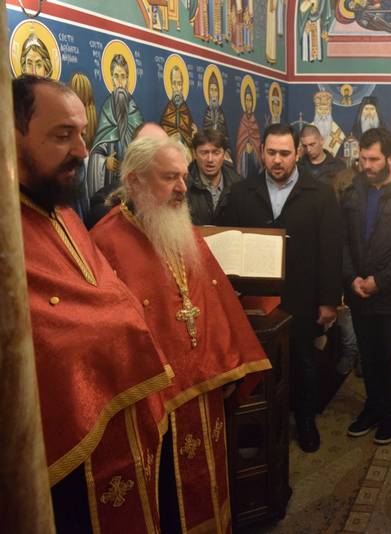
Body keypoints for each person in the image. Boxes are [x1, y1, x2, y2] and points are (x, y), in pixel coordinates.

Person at [13, 75, 171, 532]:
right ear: (10, 136)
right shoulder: (10, 228)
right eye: (63, 135)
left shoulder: (63, 213)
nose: (83, 151)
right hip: (56, 455)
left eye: (82, 134)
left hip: (114, 434)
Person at [91, 136, 270, 532]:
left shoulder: (178, 227)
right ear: (135, 181)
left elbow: (213, 295)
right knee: (165, 498)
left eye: (183, 176)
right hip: (152, 400)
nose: (182, 188)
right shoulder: (105, 241)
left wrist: (227, 362)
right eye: (170, 177)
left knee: (207, 483)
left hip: (203, 383)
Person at [217, 123, 343, 453]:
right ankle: (259, 426)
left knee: (303, 362)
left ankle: (305, 421)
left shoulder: (320, 194)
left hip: (302, 295)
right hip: (255, 299)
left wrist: (328, 301)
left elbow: (331, 250)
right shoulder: (243, 193)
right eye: (271, 152)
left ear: (297, 153)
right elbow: (229, 242)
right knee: (257, 363)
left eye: (285, 153)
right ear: (261, 153)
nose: (277, 160)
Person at [340, 127, 391, 445]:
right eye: (362, 158)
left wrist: (380, 281)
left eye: (373, 159)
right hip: (359, 292)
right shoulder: (353, 191)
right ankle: (373, 406)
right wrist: (351, 277)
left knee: (390, 356)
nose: (366, 165)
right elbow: (342, 240)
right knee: (368, 356)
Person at [86, 122, 169, 229]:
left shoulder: (179, 195)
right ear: (133, 156)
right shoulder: (105, 207)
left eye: (166, 149)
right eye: (149, 150)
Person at [87, 53, 144, 198]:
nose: (119, 81)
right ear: (111, 78)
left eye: (123, 76)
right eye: (116, 76)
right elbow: (97, 150)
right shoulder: (107, 108)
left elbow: (143, 147)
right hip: (110, 184)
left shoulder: (134, 110)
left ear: (127, 79)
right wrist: (105, 162)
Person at [187, 128, 243, 225]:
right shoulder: (184, 184)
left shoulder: (238, 184)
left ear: (224, 154)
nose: (210, 159)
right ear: (194, 154)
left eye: (216, 153)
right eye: (204, 153)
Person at [159, 65, 196, 148]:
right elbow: (163, 133)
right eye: (174, 83)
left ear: (182, 86)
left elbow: (190, 135)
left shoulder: (186, 110)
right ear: (171, 85)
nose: (176, 87)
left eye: (179, 83)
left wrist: (193, 135)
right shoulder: (168, 109)